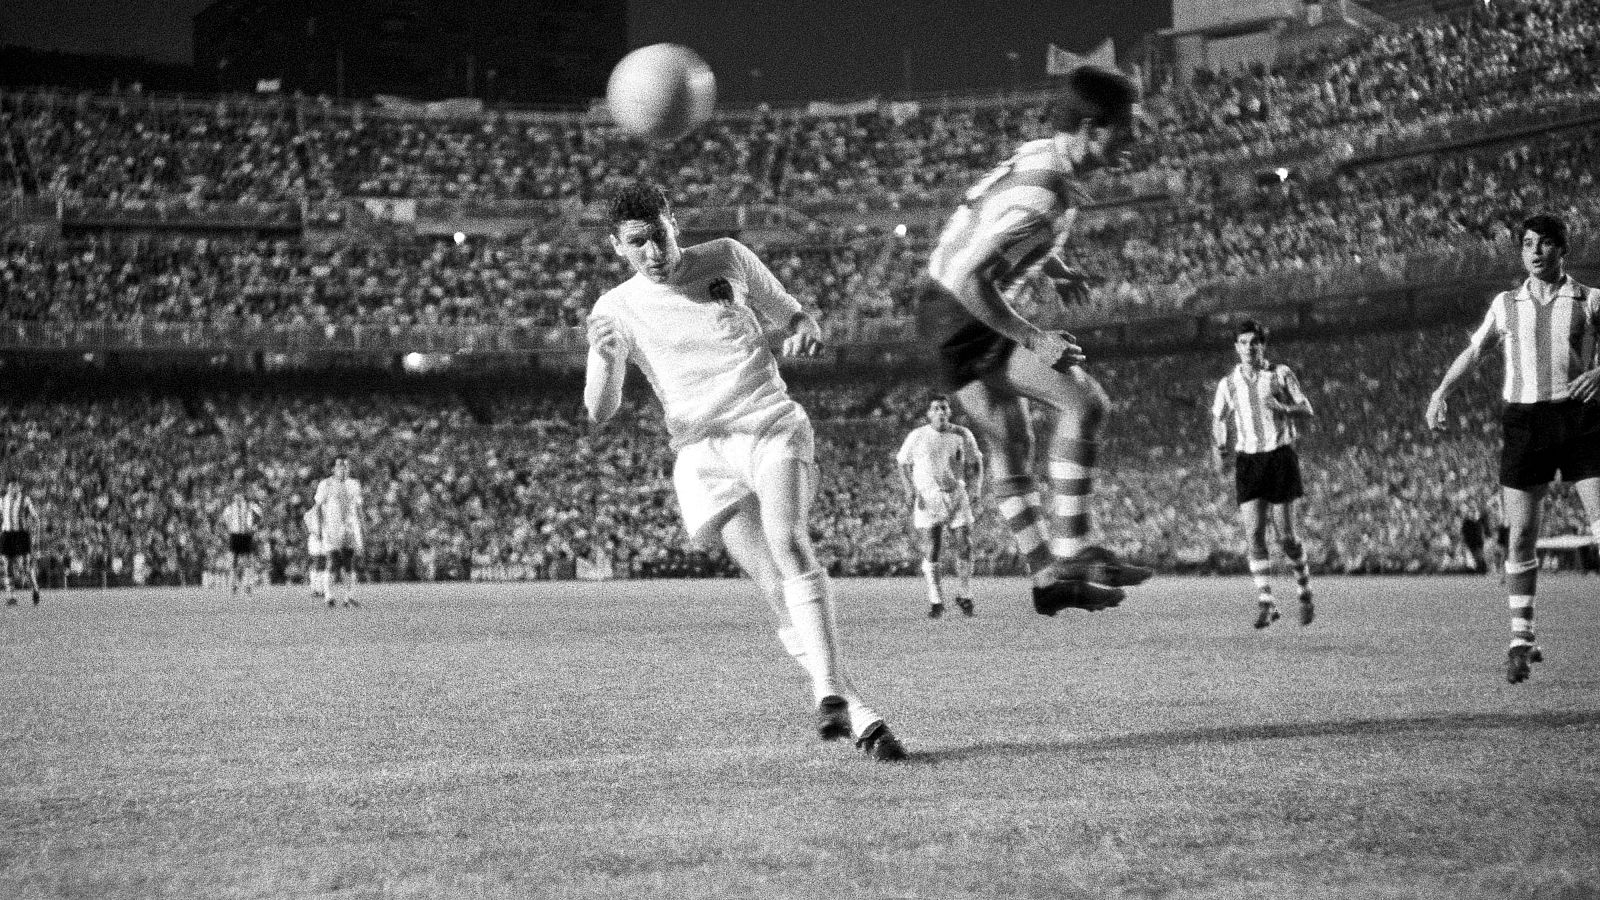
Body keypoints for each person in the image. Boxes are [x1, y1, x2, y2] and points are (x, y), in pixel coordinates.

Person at [585, 181, 906, 762]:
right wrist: (606, 360)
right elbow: (599, 411)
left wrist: (803, 327)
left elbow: (793, 314)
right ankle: (861, 716)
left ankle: (827, 693)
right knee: (776, 590)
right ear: (617, 247)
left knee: (787, 539)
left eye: (659, 236)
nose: (652, 252)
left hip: (769, 424)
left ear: (674, 224)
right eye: (637, 243)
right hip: (703, 455)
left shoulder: (727, 257)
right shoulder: (613, 309)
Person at [914, 64, 1151, 617]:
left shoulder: (1042, 156)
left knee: (1010, 442)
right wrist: (1033, 337)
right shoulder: (1042, 196)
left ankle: (1048, 582)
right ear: (1091, 128)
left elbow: (993, 225)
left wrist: (1054, 266)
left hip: (937, 307)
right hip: (959, 311)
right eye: (1124, 130)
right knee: (1083, 402)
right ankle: (1073, 550)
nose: (1131, 141)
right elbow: (974, 279)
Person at [1427, 213, 1600, 684]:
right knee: (1521, 534)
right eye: (1527, 244)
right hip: (1525, 422)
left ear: (1563, 249)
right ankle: (1521, 639)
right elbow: (1475, 351)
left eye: (1545, 243)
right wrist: (1441, 392)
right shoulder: (1506, 304)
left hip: (1580, 418)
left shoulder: (1590, 299)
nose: (1535, 252)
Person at [1210, 320, 1317, 629]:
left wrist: (1283, 409)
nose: (1249, 348)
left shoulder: (1280, 374)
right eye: (1243, 343)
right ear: (1236, 348)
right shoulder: (1228, 384)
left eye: (1254, 342)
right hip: (1248, 461)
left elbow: (1307, 408)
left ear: (1262, 346)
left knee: (1286, 538)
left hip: (1279, 456)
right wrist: (1220, 445)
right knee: (1254, 533)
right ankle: (1267, 602)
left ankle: (1304, 590)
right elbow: (1219, 418)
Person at [896, 395, 983, 618]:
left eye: (944, 408)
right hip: (928, 496)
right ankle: (936, 601)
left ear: (949, 411)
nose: (941, 412)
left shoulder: (962, 434)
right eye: (935, 408)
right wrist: (909, 490)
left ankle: (965, 594)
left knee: (965, 544)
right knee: (932, 547)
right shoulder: (917, 435)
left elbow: (976, 462)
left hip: (956, 494)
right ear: (928, 414)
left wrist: (976, 488)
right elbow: (902, 463)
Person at [314, 456, 364, 609]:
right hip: (332, 528)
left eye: (346, 466)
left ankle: (349, 597)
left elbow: (358, 508)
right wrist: (319, 528)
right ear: (333, 469)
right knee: (332, 560)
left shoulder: (354, 484)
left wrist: (361, 527)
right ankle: (329, 596)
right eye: (340, 466)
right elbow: (318, 507)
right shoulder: (326, 484)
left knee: (349, 562)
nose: (343, 469)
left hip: (349, 528)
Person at [2, 480, 42, 606]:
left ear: (19, 488)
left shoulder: (25, 500)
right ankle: (11, 596)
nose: (13, 489)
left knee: (25, 566)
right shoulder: (2, 500)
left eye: (15, 487)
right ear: (8, 488)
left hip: (21, 535)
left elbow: (36, 519)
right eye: (11, 487)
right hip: (7, 535)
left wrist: (35, 537)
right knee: (7, 564)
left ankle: (35, 588)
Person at [220, 488, 263, 596]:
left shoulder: (250, 505)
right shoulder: (230, 508)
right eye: (236, 495)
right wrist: (228, 528)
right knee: (234, 561)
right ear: (234, 497)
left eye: (240, 495)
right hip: (235, 535)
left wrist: (255, 526)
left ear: (243, 496)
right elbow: (223, 519)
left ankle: (247, 584)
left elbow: (261, 515)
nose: (238, 497)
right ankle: (234, 585)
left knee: (247, 561)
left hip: (246, 535)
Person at [302, 500, 328, 601]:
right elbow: (308, 527)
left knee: (323, 562)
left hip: (324, 539)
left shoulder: (326, 511)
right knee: (316, 561)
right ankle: (314, 588)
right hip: (315, 539)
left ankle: (321, 588)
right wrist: (316, 533)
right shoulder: (309, 514)